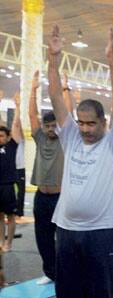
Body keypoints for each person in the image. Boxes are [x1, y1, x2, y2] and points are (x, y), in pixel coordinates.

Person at [46, 25, 113, 298]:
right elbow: (54, 98)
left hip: (102, 230)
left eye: (91, 123)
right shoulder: (71, 139)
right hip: (66, 228)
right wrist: (53, 60)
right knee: (68, 294)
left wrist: (111, 63)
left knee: (101, 295)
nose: (84, 129)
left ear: (104, 122)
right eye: (80, 122)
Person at [28, 70, 66, 282]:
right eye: (48, 126)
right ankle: (50, 273)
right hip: (41, 197)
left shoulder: (65, 140)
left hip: (60, 197)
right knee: (43, 239)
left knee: (63, 239)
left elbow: (67, 111)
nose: (51, 129)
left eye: (55, 126)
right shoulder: (40, 138)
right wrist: (33, 90)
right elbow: (32, 115)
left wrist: (64, 89)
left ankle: (65, 272)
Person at [0, 93, 24, 252]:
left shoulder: (12, 146)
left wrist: (17, 107)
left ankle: (9, 243)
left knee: (10, 217)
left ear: (8, 137)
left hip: (8, 187)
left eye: (1, 136)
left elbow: (15, 125)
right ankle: (1, 242)